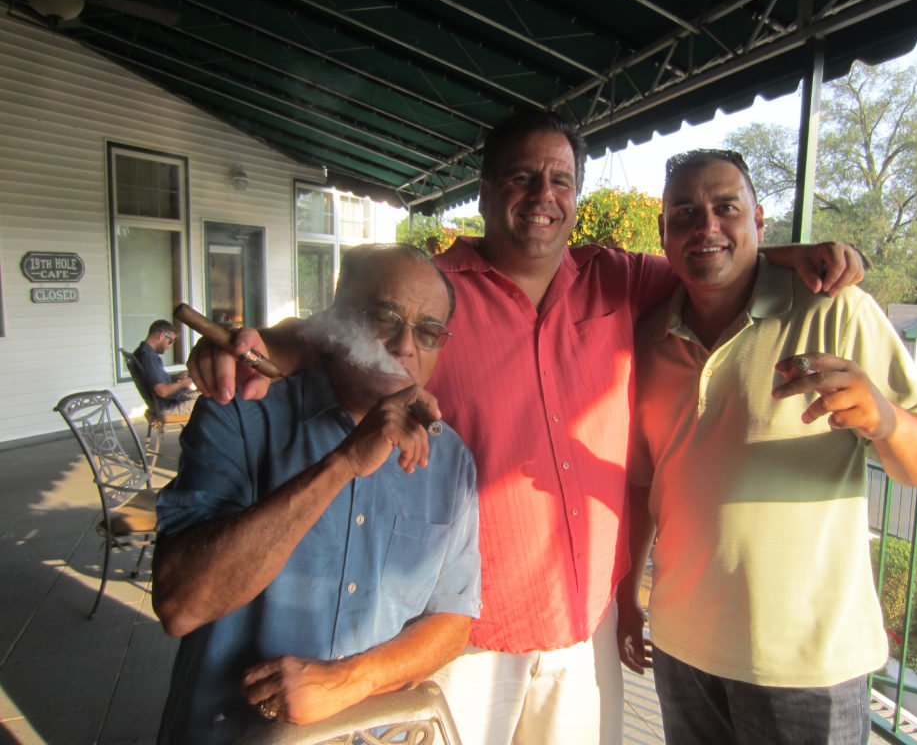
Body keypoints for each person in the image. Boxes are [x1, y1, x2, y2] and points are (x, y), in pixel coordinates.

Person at [185, 111, 865, 745]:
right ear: (483, 191)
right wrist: (264, 347)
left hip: (586, 624)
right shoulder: (433, 294)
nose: (543, 193)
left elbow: (712, 256)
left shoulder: (620, 279)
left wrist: (792, 250)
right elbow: (342, 327)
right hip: (464, 630)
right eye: (521, 176)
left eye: (560, 180)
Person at [616, 149, 917, 744]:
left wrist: (883, 417)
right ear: (663, 234)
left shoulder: (836, 310)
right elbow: (646, 484)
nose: (707, 227)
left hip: (805, 664)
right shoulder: (649, 336)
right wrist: (626, 592)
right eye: (685, 214)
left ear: (760, 220)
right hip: (681, 647)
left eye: (727, 208)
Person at [152, 244, 481, 745]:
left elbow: (453, 620)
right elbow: (180, 605)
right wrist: (343, 463)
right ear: (334, 320)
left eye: (429, 331)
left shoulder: (451, 459)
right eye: (384, 316)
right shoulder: (241, 414)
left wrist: (349, 681)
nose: (404, 344)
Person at [133, 320, 201, 415]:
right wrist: (184, 383)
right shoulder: (148, 358)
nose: (169, 346)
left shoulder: (141, 353)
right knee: (210, 400)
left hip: (164, 403)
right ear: (161, 335)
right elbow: (162, 391)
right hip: (170, 406)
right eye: (170, 341)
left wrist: (177, 376)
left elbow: (154, 380)